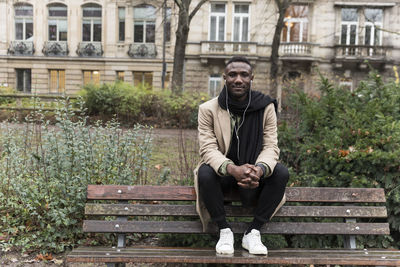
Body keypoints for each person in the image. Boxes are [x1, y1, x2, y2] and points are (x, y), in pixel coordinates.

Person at [194, 56, 289, 255]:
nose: (238, 79)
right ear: (224, 78)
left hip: (255, 175)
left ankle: (253, 232)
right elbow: (208, 149)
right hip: (224, 175)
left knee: (280, 172)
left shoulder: (266, 107)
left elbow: (271, 146)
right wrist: (232, 169)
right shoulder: (208, 110)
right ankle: (224, 231)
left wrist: (260, 170)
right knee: (204, 173)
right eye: (233, 75)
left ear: (251, 77)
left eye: (244, 75)